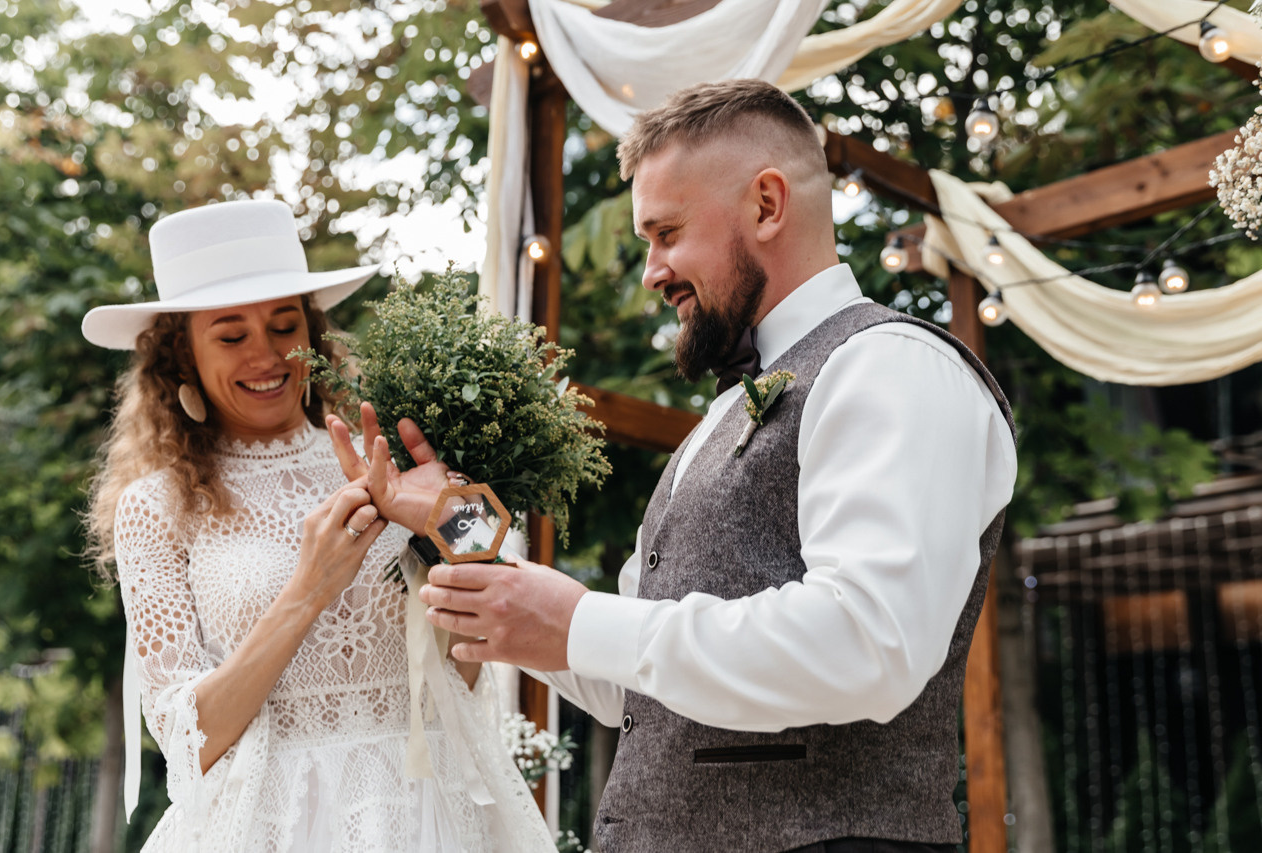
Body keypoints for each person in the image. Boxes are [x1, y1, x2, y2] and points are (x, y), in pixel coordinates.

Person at [334, 80, 1017, 853]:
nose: (652, 270)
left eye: (666, 232)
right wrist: (455, 519)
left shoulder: (892, 367)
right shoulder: (721, 416)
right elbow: (634, 680)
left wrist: (579, 619)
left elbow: (870, 642)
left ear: (766, 205)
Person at [83, 199, 553, 852]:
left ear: (314, 331)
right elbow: (188, 739)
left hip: (426, 812)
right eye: (230, 335)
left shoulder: (383, 454)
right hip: (267, 825)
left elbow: (507, 595)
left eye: (284, 325)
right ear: (181, 356)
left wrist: (446, 513)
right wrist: (309, 588)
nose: (266, 355)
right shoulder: (156, 507)